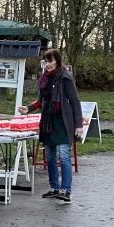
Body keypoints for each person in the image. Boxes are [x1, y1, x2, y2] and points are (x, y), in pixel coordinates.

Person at [21, 48, 83, 204]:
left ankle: (65, 190)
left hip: (63, 122)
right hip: (48, 122)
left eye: (50, 61)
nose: (47, 64)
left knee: (64, 156)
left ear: (57, 61)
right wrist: (28, 108)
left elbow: (75, 102)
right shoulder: (44, 79)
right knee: (49, 156)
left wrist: (79, 125)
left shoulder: (65, 78)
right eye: (46, 61)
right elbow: (41, 100)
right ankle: (55, 188)